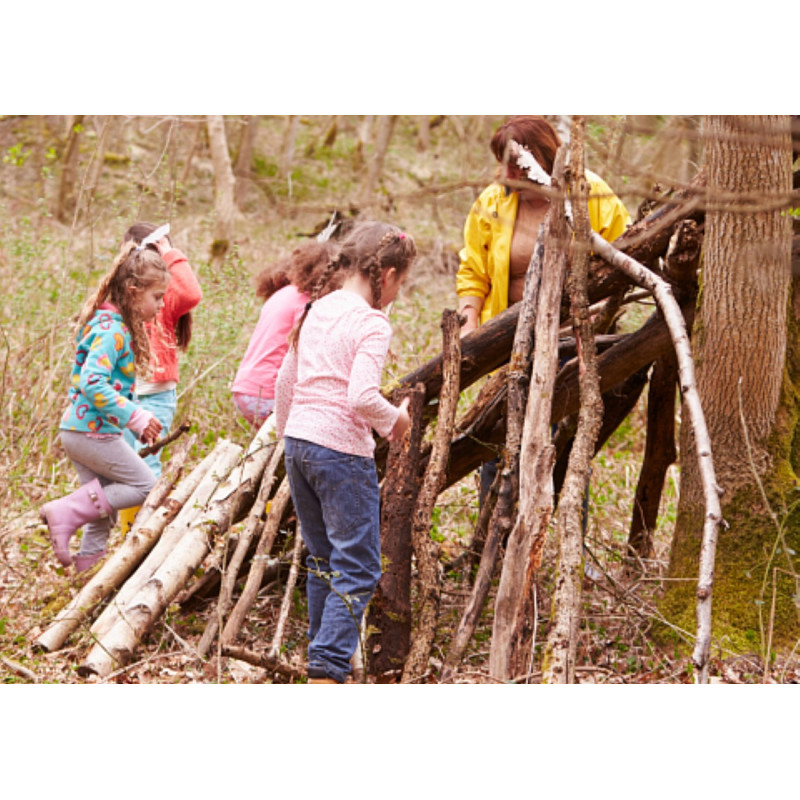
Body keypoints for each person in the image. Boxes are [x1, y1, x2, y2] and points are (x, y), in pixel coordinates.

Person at [456, 115, 631, 502]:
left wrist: (595, 327)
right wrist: (470, 324)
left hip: (571, 347)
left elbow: (624, 260)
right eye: (502, 162)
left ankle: (562, 542)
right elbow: (473, 269)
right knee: (498, 438)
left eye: (515, 162)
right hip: (507, 346)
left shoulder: (592, 194)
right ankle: (493, 536)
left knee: (561, 444)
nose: (507, 171)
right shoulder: (492, 201)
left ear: (541, 156)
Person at [274, 221, 416, 684]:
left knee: (322, 562)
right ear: (389, 274)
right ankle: (327, 671)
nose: (397, 294)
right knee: (357, 565)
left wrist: (288, 433)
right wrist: (397, 420)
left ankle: (323, 659)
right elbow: (360, 397)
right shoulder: (372, 322)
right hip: (340, 451)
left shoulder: (317, 308)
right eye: (402, 283)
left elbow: (284, 381)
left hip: (299, 444)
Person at [40, 240, 170, 572]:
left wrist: (130, 421)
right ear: (132, 291)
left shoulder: (107, 322)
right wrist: (136, 416)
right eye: (157, 297)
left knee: (101, 509)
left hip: (80, 430)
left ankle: (86, 581)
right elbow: (92, 381)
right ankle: (65, 511)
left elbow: (104, 386)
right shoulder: (113, 330)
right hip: (91, 433)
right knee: (145, 485)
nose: (161, 305)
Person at [121, 222, 202, 478]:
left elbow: (191, 294)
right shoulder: (122, 297)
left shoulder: (163, 300)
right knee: (122, 460)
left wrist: (170, 253)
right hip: (124, 394)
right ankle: (124, 517)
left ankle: (143, 517)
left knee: (146, 461)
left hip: (156, 395)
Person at [232, 239, 338, 427]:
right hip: (267, 393)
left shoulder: (284, 293)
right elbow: (310, 356)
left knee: (273, 447)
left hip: (245, 387)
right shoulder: (306, 304)